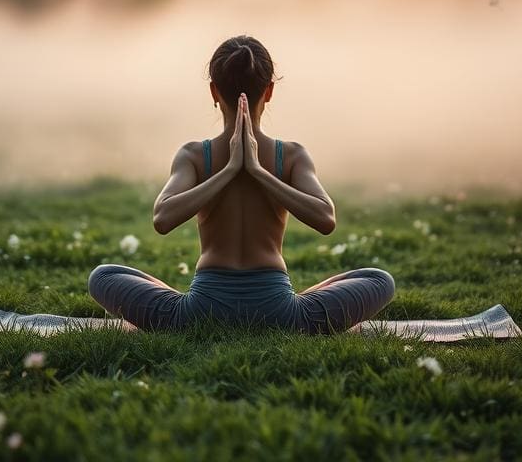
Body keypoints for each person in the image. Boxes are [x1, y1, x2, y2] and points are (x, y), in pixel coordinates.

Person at [88, 35, 395, 333]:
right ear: (270, 91)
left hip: (200, 314)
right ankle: (300, 306)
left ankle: (185, 316)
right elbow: (326, 218)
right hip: (279, 314)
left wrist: (254, 170)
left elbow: (161, 218)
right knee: (379, 280)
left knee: (104, 276)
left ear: (214, 92)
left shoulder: (194, 155)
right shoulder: (291, 155)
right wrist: (237, 169)